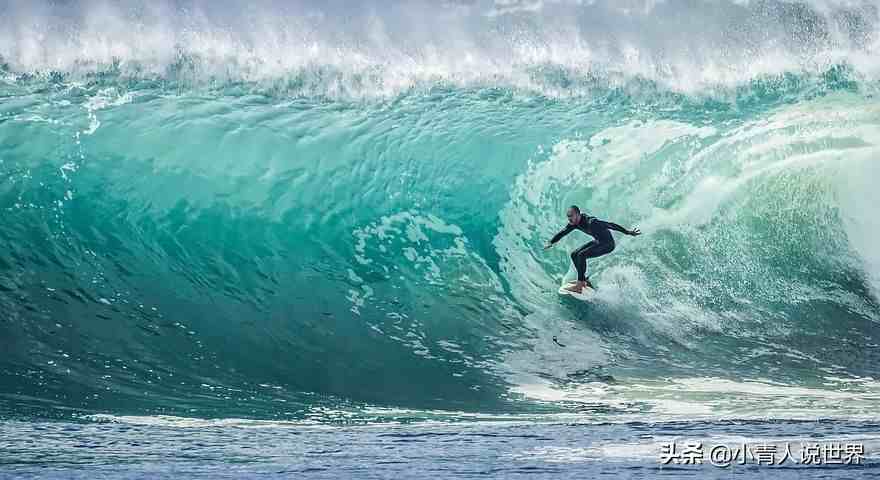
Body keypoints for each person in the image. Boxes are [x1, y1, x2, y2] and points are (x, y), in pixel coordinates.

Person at [544, 205, 641, 293]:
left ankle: (580, 285)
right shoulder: (574, 223)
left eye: (571, 216)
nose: (569, 219)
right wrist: (551, 242)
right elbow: (563, 232)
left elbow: (611, 225)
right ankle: (584, 280)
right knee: (574, 254)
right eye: (568, 217)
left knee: (582, 255)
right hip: (598, 241)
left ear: (578, 214)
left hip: (608, 245)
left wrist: (628, 232)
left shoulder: (592, 222)